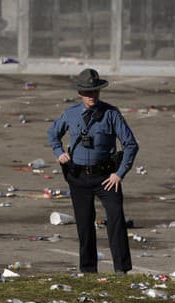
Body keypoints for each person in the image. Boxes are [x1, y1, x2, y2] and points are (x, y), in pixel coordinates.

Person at [47, 68, 139, 274]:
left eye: (95, 92)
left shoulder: (111, 114)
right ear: (80, 93)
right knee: (84, 224)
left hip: (106, 177)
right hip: (78, 177)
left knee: (116, 220)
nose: (92, 96)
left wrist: (120, 173)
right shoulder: (70, 114)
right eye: (88, 93)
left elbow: (131, 144)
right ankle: (88, 270)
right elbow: (53, 133)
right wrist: (59, 152)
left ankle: (121, 269)